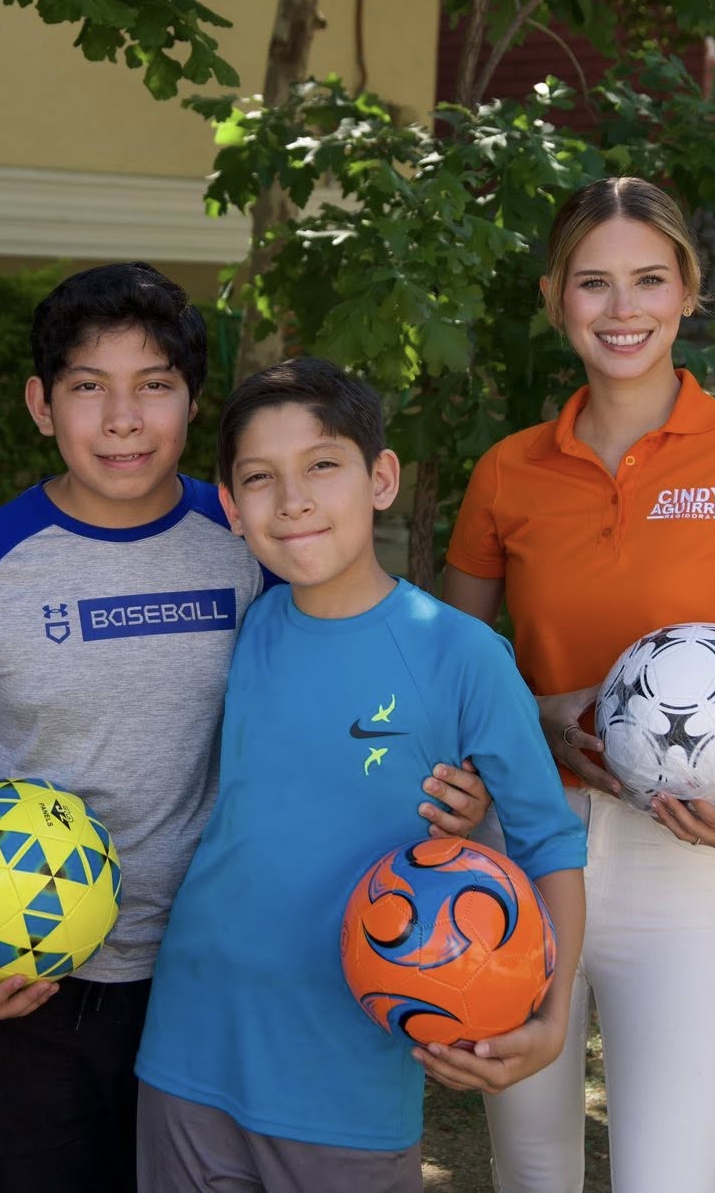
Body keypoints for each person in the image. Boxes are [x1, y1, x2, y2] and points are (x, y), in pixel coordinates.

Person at [0, 264, 490, 1192]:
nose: (123, 419)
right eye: (89, 388)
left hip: (214, 973)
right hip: (31, 971)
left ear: (193, 405)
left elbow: (359, 668)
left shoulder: (254, 536)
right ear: (41, 406)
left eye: (155, 387)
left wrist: (454, 775)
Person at [442, 177, 715, 1192]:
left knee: (668, 1176)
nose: (622, 310)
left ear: (687, 289)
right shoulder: (506, 471)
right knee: (532, 1172)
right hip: (521, 854)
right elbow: (447, 671)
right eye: (593, 283)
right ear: (552, 296)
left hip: (682, 868)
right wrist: (536, 712)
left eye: (648, 280)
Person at [133, 357, 588, 1193]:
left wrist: (554, 1020)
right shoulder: (248, 624)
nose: (293, 500)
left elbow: (550, 837)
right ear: (231, 508)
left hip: (346, 1073)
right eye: (260, 480)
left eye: (322, 466)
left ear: (382, 477)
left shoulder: (462, 654)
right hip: (188, 1046)